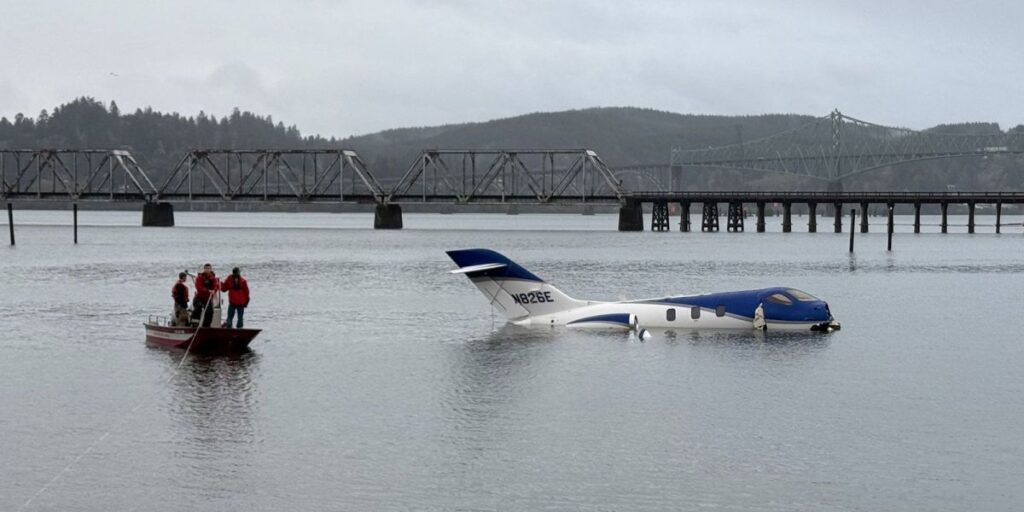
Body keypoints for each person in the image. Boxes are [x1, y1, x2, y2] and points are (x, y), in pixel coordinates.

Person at [192, 263, 219, 327]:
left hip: (208, 298)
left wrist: (214, 290)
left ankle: (206, 326)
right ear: (204, 269)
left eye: (209, 268)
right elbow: (199, 287)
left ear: (211, 269)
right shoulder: (200, 277)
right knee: (198, 307)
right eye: (206, 269)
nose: (207, 270)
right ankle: (194, 324)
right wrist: (208, 290)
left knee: (210, 311)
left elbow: (216, 285)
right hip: (199, 297)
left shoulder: (213, 278)